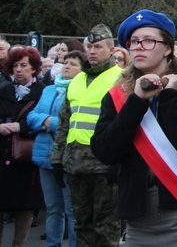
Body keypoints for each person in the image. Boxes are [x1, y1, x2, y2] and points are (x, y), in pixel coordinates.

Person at [91, 9, 177, 246]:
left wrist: (170, 97)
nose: (139, 47)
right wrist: (137, 102)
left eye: (149, 41)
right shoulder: (117, 96)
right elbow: (104, 151)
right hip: (137, 217)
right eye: (134, 42)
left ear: (169, 48)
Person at [51, 24, 122, 247]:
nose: (92, 51)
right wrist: (57, 158)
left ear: (111, 51)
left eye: (98, 46)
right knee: (82, 225)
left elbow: (125, 124)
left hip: (104, 165)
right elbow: (65, 122)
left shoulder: (120, 78)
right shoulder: (77, 80)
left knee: (106, 228)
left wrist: (119, 160)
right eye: (89, 46)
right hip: (76, 164)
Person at [28, 50, 85, 247]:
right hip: (44, 156)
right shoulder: (49, 90)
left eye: (73, 64)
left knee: (71, 211)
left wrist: (49, 123)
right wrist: (44, 119)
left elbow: (74, 122)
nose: (67, 66)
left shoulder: (81, 90)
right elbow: (31, 116)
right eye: (65, 62)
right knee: (53, 209)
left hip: (68, 158)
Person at [0, 46, 46, 247]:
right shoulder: (4, 90)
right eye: (15, 66)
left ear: (34, 68)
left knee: (25, 206)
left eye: (24, 65)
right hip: (3, 154)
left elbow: (48, 119)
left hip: (28, 157)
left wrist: (22, 126)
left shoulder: (43, 92)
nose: (19, 70)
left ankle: (19, 244)